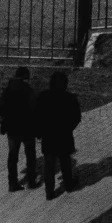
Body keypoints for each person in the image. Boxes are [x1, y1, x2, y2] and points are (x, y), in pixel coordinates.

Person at [37, 69, 83, 199]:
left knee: (49, 165)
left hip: (49, 135)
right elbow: (76, 117)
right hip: (64, 135)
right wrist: (69, 128)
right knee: (65, 161)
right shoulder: (69, 98)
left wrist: (40, 131)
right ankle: (68, 184)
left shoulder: (43, 96)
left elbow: (37, 116)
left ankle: (49, 192)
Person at [0, 66, 39, 191]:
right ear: (26, 78)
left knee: (12, 156)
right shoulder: (29, 91)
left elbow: (1, 108)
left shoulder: (7, 91)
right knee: (30, 155)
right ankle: (31, 181)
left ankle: (12, 182)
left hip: (12, 128)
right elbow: (35, 109)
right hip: (27, 128)